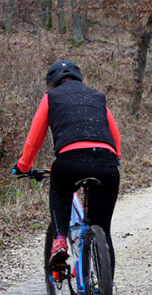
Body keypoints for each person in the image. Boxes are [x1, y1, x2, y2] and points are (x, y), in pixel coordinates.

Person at [13, 60, 121, 278]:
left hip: (69, 161)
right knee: (104, 231)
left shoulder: (51, 97)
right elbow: (114, 133)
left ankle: (60, 238)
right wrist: (115, 158)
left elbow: (35, 138)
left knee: (59, 189)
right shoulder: (97, 97)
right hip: (106, 163)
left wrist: (24, 166)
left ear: (52, 82)